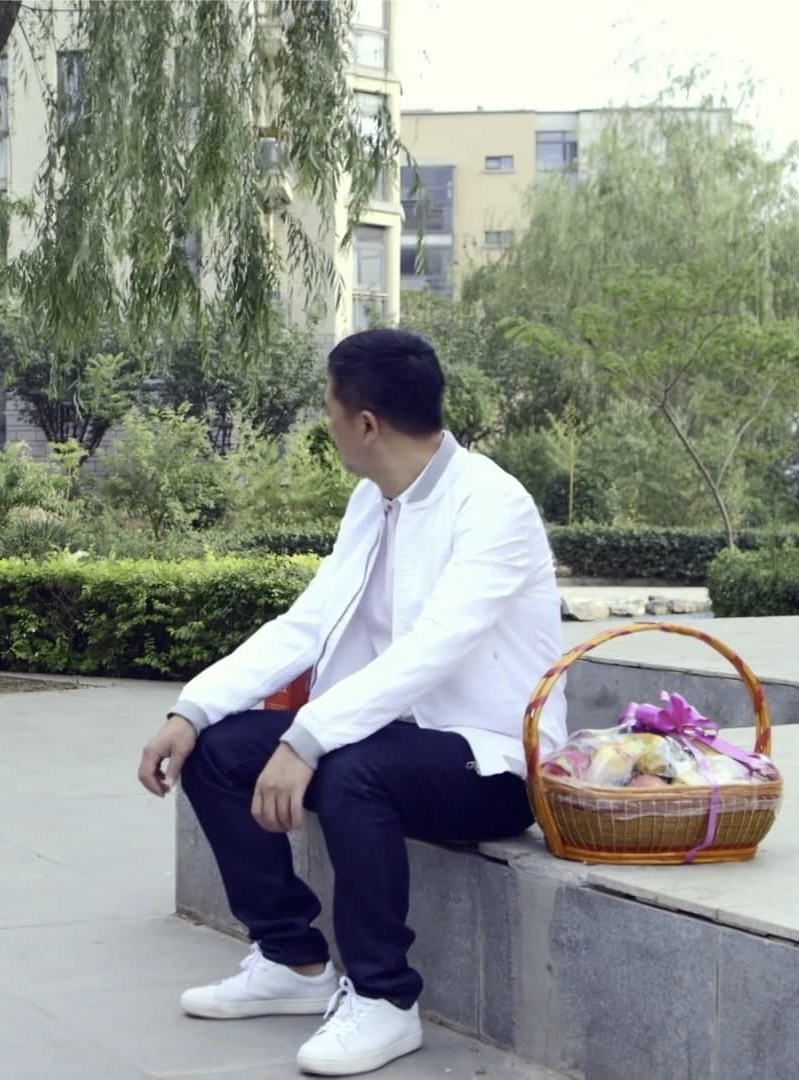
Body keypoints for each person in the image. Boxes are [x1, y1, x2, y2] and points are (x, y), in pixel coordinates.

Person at [136, 328, 567, 1078]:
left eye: (328, 407)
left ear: (365, 423)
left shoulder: (493, 504)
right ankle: (293, 961)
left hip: (490, 761)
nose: (325, 420)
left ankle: (384, 998)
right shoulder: (374, 500)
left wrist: (307, 738)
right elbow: (308, 621)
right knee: (217, 752)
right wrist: (193, 709)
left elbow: (432, 647)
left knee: (349, 772)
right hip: (384, 736)